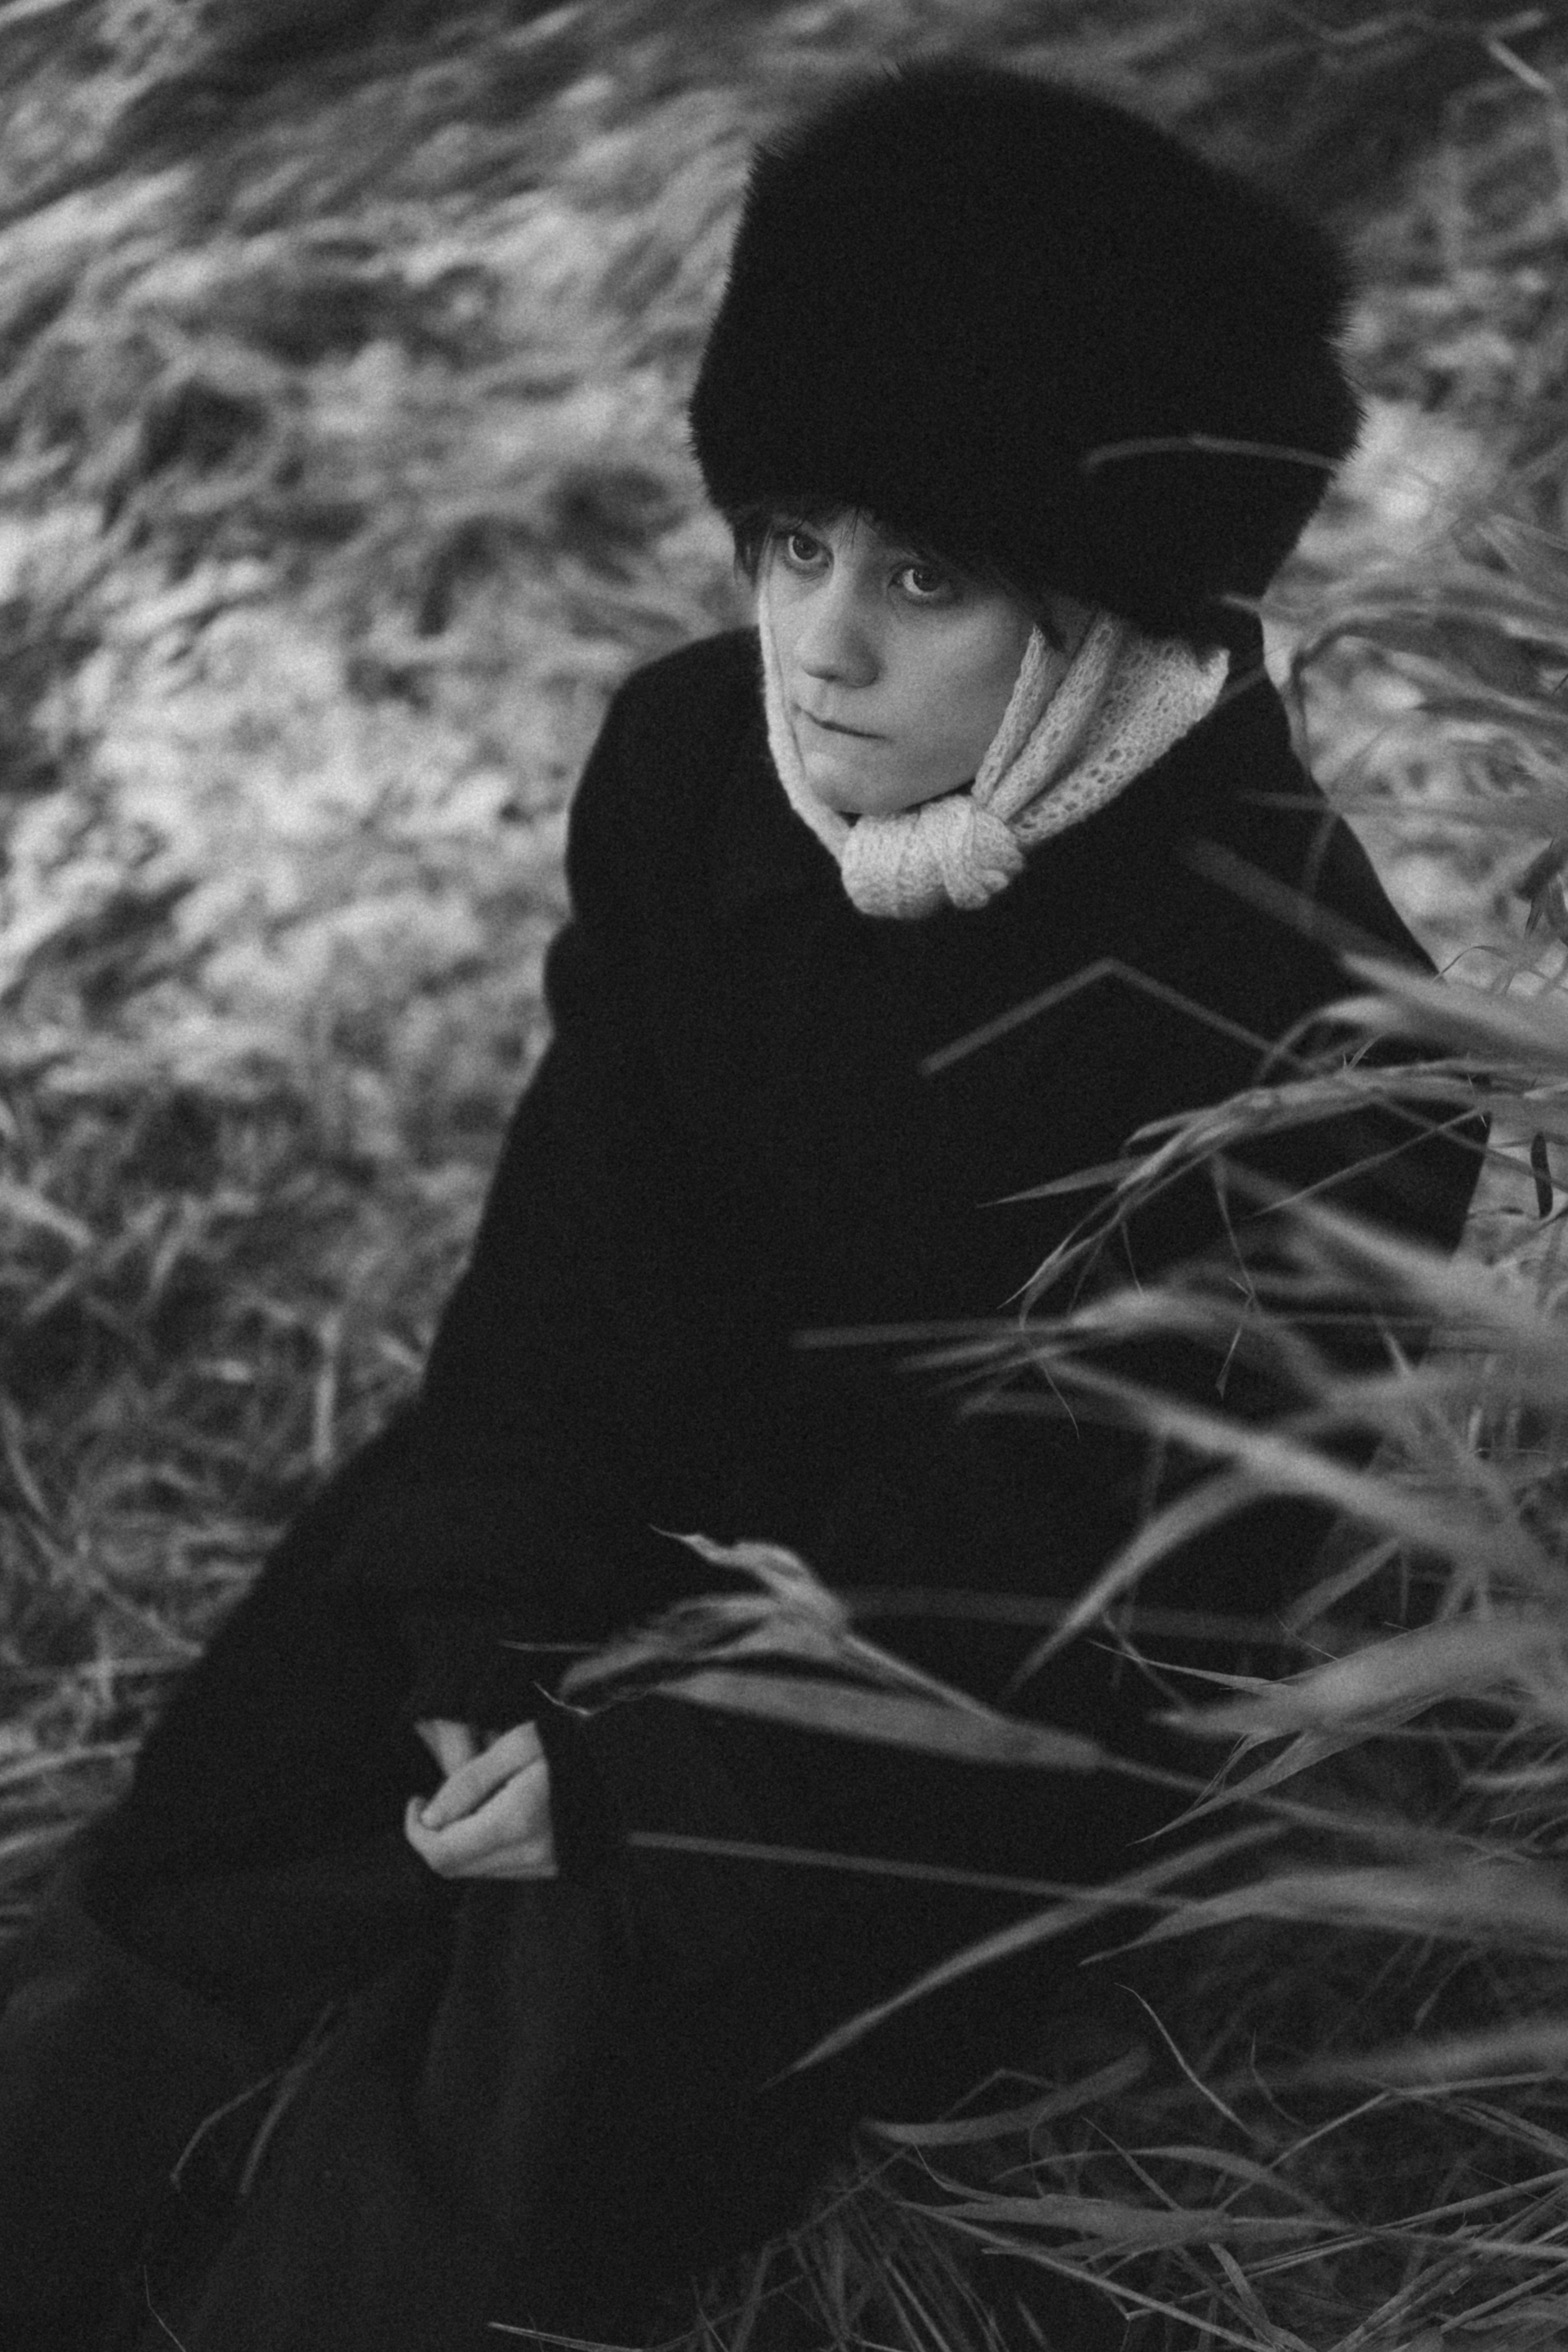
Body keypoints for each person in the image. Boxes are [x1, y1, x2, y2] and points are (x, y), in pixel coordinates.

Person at [0, 56, 1481, 2352]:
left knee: (567, 2059)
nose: (823, 644)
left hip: (941, 1701)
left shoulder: (1305, 1023)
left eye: (925, 574)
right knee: (248, 1810)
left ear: (1114, 610)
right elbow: (581, 1244)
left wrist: (639, 1771)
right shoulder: (699, 766)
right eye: (793, 543)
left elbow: (1096, 1584)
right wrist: (493, 1625)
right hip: (653, 1480)